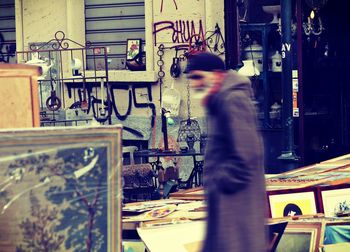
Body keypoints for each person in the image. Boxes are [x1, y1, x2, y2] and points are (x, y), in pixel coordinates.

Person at [184, 52, 267, 252]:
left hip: (235, 206)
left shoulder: (232, 100)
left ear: (216, 75)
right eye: (191, 79)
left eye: (198, 77)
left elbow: (247, 154)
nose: (194, 83)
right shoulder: (219, 100)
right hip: (228, 206)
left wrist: (219, 181)